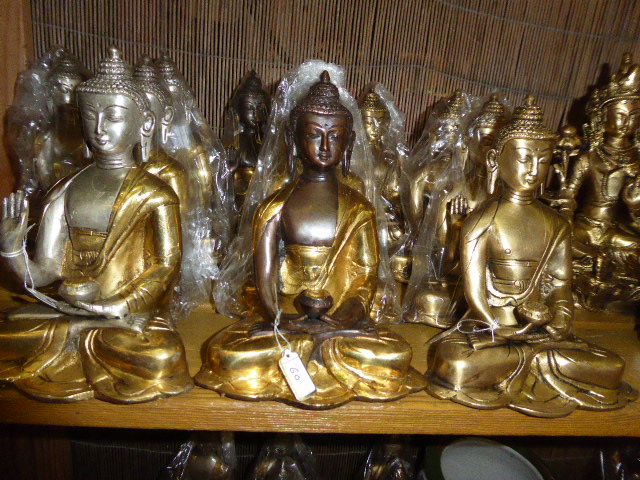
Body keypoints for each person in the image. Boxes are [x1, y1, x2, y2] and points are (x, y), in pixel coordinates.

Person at [196, 71, 425, 408]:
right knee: (229, 354)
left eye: (335, 136)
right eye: (314, 135)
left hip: (341, 324)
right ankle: (312, 358)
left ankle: (314, 355)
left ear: (348, 143)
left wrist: (345, 317)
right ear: (294, 140)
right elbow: (264, 277)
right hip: (286, 321)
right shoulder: (273, 207)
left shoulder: (359, 208)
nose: (325, 146)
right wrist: (280, 317)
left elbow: (364, 278)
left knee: (394, 355)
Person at [0, 47, 192, 403]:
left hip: (125, 316)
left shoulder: (155, 193)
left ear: (144, 124)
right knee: (8, 333)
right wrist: (11, 249)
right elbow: (43, 273)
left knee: (161, 357)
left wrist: (118, 304)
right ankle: (76, 344)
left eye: (113, 116)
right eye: (90, 116)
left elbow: (166, 266)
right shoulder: (64, 189)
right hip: (67, 312)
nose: (100, 128)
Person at [426, 95, 636, 417]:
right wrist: (498, 328)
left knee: (611, 365)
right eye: (525, 159)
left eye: (543, 160)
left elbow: (560, 287)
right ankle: (526, 365)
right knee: (456, 364)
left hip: (542, 335)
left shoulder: (556, 223)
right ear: (496, 159)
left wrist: (560, 320)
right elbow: (474, 293)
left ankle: (528, 364)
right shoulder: (481, 221)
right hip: (490, 330)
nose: (534, 170)